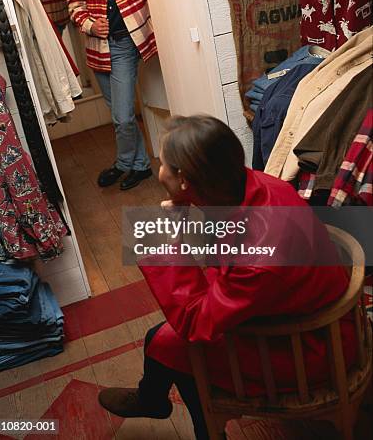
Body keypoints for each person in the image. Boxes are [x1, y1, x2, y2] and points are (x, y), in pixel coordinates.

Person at [98, 115, 356, 439]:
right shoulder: (249, 184)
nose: (157, 168)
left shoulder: (260, 253)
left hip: (308, 345)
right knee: (162, 338)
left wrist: (167, 236)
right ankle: (154, 400)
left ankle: (192, 424)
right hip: (287, 308)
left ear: (184, 180)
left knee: (172, 342)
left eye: (163, 163)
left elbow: (195, 322)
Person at [67, 0, 157, 191]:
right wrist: (90, 25)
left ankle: (123, 163)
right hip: (97, 48)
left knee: (121, 116)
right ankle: (140, 165)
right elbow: (74, 4)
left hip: (125, 44)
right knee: (121, 116)